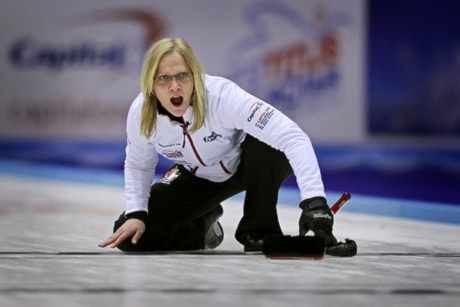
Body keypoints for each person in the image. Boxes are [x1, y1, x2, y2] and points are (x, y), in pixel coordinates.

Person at [98, 37, 339, 253]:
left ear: (195, 75)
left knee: (270, 145)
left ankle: (258, 230)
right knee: (131, 237)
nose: (175, 86)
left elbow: (293, 136)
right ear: (150, 83)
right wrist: (137, 213)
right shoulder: (141, 113)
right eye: (163, 78)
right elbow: (139, 164)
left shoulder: (223, 97)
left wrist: (315, 203)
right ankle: (202, 227)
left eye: (182, 75)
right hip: (194, 177)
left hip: (247, 165)